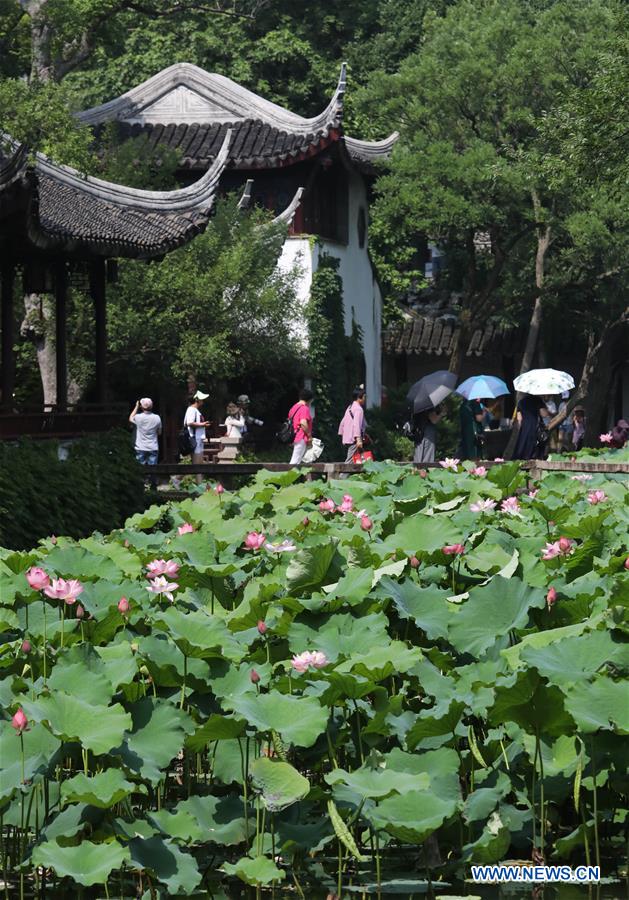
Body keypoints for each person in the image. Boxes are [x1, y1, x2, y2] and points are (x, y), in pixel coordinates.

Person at [129, 398, 162, 486]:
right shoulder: (157, 417)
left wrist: (136, 407)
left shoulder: (138, 417)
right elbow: (159, 433)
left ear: (141, 407)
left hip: (140, 447)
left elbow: (130, 418)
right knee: (153, 469)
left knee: (140, 469)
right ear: (152, 406)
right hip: (153, 446)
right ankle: (153, 487)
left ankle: (140, 487)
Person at [184, 390, 211, 483]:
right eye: (201, 399)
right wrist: (203, 424)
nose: (203, 401)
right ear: (197, 400)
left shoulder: (195, 410)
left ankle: (200, 484)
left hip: (198, 439)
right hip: (194, 439)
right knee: (196, 464)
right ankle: (177, 477)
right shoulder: (191, 409)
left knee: (199, 463)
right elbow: (190, 423)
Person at [513, 394, 549, 460]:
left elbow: (519, 419)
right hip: (535, 427)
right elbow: (544, 414)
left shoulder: (521, 402)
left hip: (524, 428)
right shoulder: (538, 400)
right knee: (535, 449)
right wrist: (545, 406)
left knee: (523, 448)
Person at [338, 386, 367, 463]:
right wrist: (358, 439)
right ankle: (340, 475)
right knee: (349, 462)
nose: (365, 399)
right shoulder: (358, 409)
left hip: (348, 438)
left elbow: (342, 422)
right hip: (354, 440)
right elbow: (356, 424)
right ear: (359, 397)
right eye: (364, 397)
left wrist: (342, 435)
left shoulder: (350, 407)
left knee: (361, 461)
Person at [287, 388, 314, 465]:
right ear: (310, 399)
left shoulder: (293, 407)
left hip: (294, 436)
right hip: (301, 437)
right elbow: (303, 423)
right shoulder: (304, 408)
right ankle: (287, 476)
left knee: (301, 461)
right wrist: (309, 436)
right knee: (295, 461)